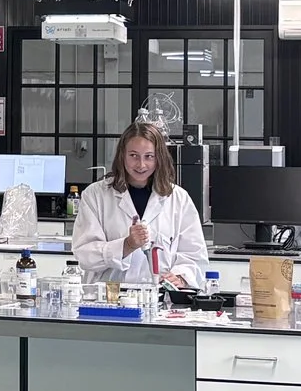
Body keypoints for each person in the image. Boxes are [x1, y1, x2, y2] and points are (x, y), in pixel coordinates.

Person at [72, 121, 208, 287]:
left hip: (160, 296)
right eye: (133, 155)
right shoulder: (95, 195)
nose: (141, 165)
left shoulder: (178, 198)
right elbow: (85, 255)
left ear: (159, 158)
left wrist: (181, 277)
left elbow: (194, 255)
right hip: (109, 296)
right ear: (122, 155)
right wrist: (127, 245)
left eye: (149, 156)